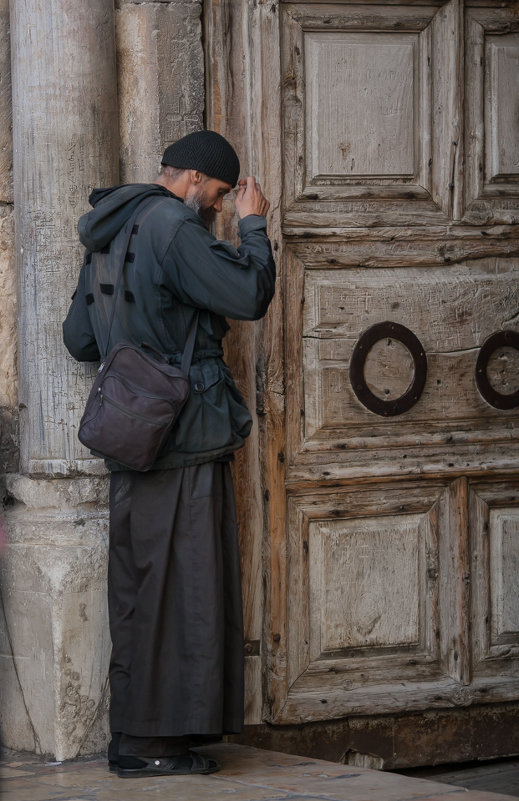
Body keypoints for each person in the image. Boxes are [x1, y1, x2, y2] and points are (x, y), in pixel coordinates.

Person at [63, 130, 275, 778]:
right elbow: (247, 295)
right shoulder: (172, 226)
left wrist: (140, 341)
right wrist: (254, 224)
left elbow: (78, 339)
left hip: (131, 430)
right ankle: (153, 743)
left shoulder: (107, 229)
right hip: (182, 431)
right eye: (215, 195)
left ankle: (141, 734)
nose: (214, 206)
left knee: (142, 586)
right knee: (184, 587)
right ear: (193, 180)